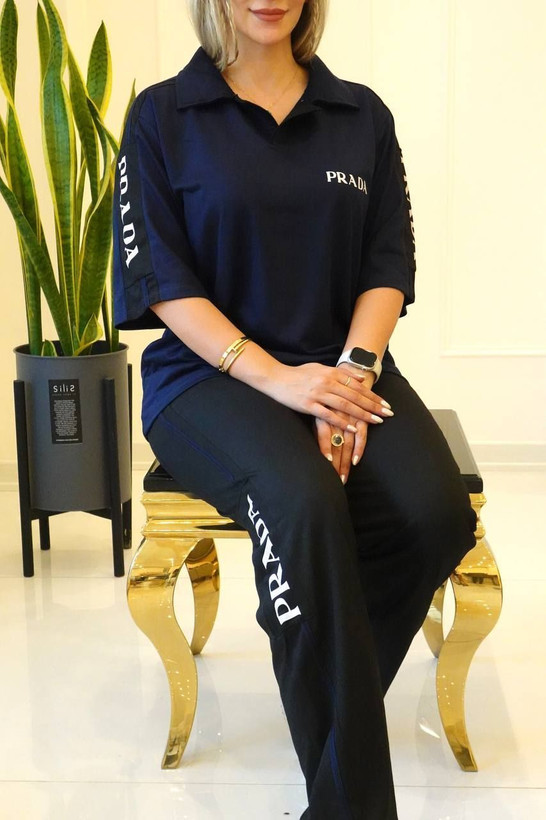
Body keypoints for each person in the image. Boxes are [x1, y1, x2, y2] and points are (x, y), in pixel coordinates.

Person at [113, 1, 477, 816]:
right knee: (303, 505)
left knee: (435, 514)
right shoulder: (164, 116)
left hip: (343, 364)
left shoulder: (361, 115)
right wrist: (283, 381)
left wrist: (350, 375)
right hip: (206, 379)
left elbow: (388, 261)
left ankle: (309, 641)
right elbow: (163, 284)